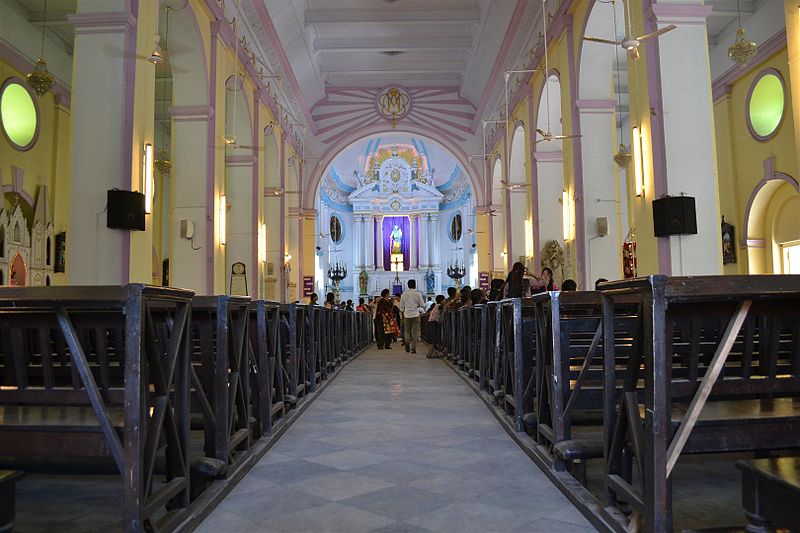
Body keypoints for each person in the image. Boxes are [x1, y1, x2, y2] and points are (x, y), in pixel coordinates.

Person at [399, 280, 426, 353]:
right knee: (415, 332)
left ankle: (407, 342)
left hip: (407, 315)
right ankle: (413, 349)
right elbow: (423, 305)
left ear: (408, 285)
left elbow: (401, 307)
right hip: (415, 315)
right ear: (415, 285)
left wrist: (403, 313)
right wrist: (417, 305)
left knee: (407, 331)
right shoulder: (417, 293)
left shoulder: (404, 294)